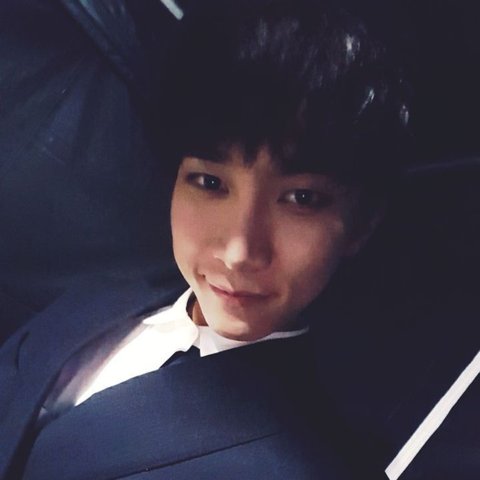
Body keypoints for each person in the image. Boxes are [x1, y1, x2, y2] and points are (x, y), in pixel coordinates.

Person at [0, 1, 414, 479]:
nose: (238, 252)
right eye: (210, 182)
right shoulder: (106, 294)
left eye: (301, 198)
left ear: (360, 225)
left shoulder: (313, 462)